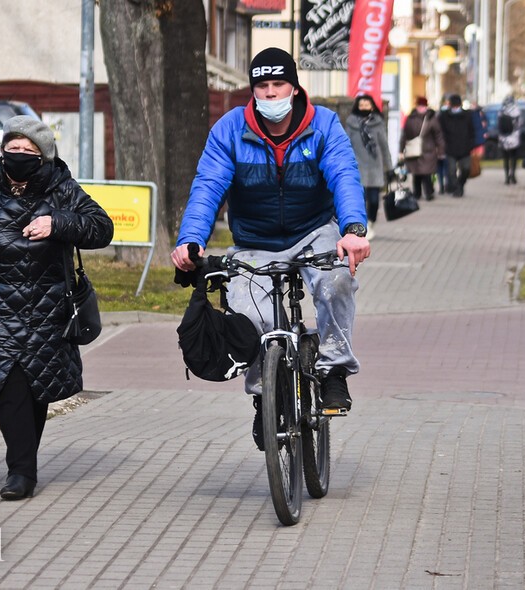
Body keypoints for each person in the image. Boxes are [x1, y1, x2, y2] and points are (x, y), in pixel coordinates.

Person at [170, 47, 370, 451]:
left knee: (336, 284)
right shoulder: (229, 129)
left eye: (279, 84)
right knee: (247, 314)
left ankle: (333, 370)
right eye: (262, 86)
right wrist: (190, 240)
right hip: (254, 241)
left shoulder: (324, 125)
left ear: (294, 88)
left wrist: (353, 229)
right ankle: (265, 397)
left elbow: (345, 175)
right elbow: (208, 186)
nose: (271, 93)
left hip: (315, 231)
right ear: (253, 90)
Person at [0, 116, 114, 500]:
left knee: (37, 390)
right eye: (12, 148)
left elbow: (102, 228)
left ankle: (23, 464)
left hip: (47, 310)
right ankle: (21, 472)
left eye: (27, 151)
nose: (18, 156)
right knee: (10, 389)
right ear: (2, 151)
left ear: (43, 157)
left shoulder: (61, 188)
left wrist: (58, 223)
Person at [345, 94, 392, 239]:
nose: (364, 107)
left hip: (375, 168)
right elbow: (346, 145)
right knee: (360, 199)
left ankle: (371, 222)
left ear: (372, 106)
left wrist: (389, 168)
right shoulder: (351, 124)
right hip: (357, 167)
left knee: (373, 200)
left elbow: (384, 147)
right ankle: (362, 225)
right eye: (361, 105)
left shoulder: (378, 123)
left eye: (367, 105)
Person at [399, 96, 445, 201]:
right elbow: (404, 135)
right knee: (417, 174)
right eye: (420, 106)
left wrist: (440, 149)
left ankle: (429, 192)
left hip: (428, 150)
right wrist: (401, 150)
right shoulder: (410, 118)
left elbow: (438, 135)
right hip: (414, 150)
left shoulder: (431, 118)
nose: (421, 108)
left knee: (427, 173)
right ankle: (417, 193)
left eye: (423, 106)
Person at [437, 94, 477, 197]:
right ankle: (457, 188)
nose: (455, 108)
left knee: (466, 169)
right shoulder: (444, 116)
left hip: (465, 148)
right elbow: (440, 132)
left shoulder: (467, 115)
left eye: (457, 106)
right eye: (453, 106)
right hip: (450, 148)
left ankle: (460, 184)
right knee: (451, 171)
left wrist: (471, 145)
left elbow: (472, 131)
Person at [497, 95, 523, 184]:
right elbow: (520, 124)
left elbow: (499, 125)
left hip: (503, 139)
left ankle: (506, 177)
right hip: (514, 138)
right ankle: (513, 175)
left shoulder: (501, 111)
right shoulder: (517, 110)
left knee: (505, 159)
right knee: (514, 158)